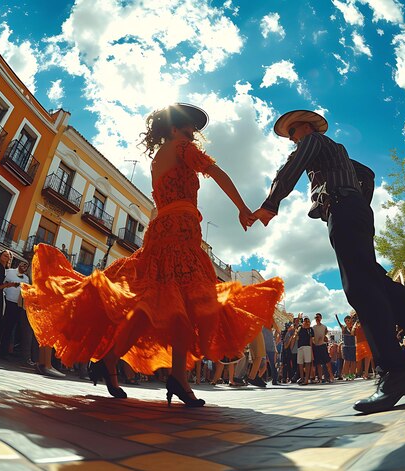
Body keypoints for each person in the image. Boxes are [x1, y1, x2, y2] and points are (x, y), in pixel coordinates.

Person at [22, 103, 284, 406]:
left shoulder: (160, 157)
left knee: (157, 303)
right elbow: (215, 171)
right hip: (178, 232)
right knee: (184, 301)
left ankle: (114, 361)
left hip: (168, 229)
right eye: (189, 129)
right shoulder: (181, 147)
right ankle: (174, 377)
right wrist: (242, 208)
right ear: (175, 130)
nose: (194, 135)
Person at [250, 109, 405, 413]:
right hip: (351, 210)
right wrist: (358, 203)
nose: (293, 140)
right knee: (374, 283)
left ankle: (397, 371)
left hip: (343, 210)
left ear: (305, 129)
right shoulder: (334, 152)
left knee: (360, 288)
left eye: (293, 133)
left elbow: (292, 165)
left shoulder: (312, 142)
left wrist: (271, 204)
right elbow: (367, 176)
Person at [312, 313, 334, 383]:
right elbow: (312, 338)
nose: (317, 319)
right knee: (318, 363)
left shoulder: (324, 327)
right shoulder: (313, 327)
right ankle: (320, 378)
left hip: (323, 345)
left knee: (327, 362)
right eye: (316, 317)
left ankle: (331, 376)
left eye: (318, 317)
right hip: (316, 346)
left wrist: (324, 338)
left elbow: (326, 336)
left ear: (321, 318)